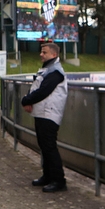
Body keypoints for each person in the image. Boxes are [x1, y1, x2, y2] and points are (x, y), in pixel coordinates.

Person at [21, 41, 69, 192]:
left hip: (50, 113)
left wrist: (26, 100)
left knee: (49, 147)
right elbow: (37, 88)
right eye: (41, 52)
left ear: (54, 55)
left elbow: (43, 91)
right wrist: (29, 99)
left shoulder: (55, 72)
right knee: (44, 146)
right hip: (42, 113)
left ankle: (59, 180)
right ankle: (48, 176)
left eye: (45, 52)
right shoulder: (48, 69)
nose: (41, 54)